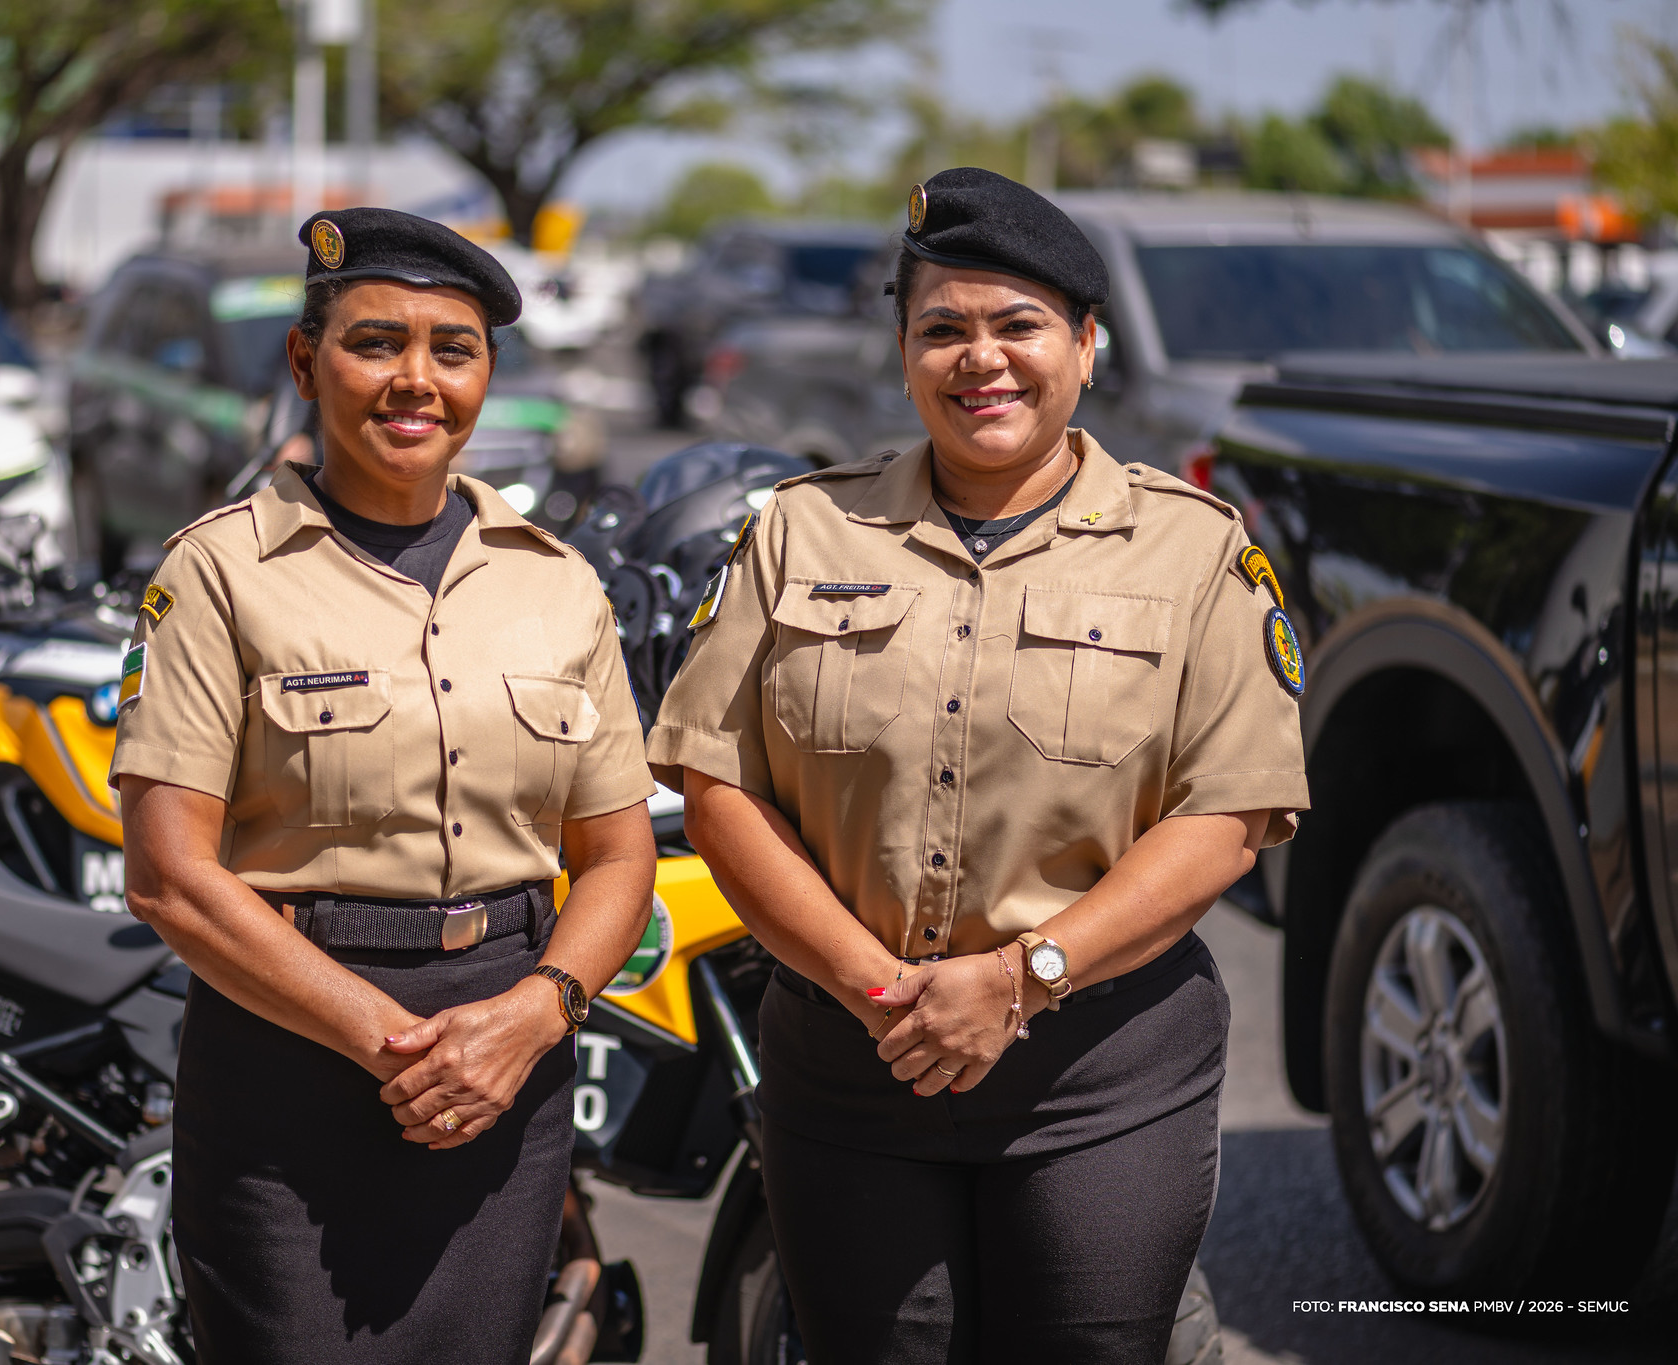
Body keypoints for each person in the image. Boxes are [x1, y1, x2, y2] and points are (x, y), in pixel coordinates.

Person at [647, 166, 1309, 1363]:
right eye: (941, 329)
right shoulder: (799, 528)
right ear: (903, 355)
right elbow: (717, 785)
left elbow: (1224, 814)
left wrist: (1022, 975)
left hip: (1096, 1070)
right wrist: (875, 987)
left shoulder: (1192, 549)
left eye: (1018, 325)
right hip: (852, 1062)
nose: (980, 359)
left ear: (1085, 347)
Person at [113, 207, 657, 1363]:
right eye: (374, 343)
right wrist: (392, 1043)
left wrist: (534, 1015)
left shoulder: (556, 585)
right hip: (289, 1058)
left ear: (485, 377)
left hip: (507, 1058)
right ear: (305, 362)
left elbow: (617, 858)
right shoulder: (217, 572)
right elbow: (168, 877)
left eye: (452, 351)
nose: (415, 380)